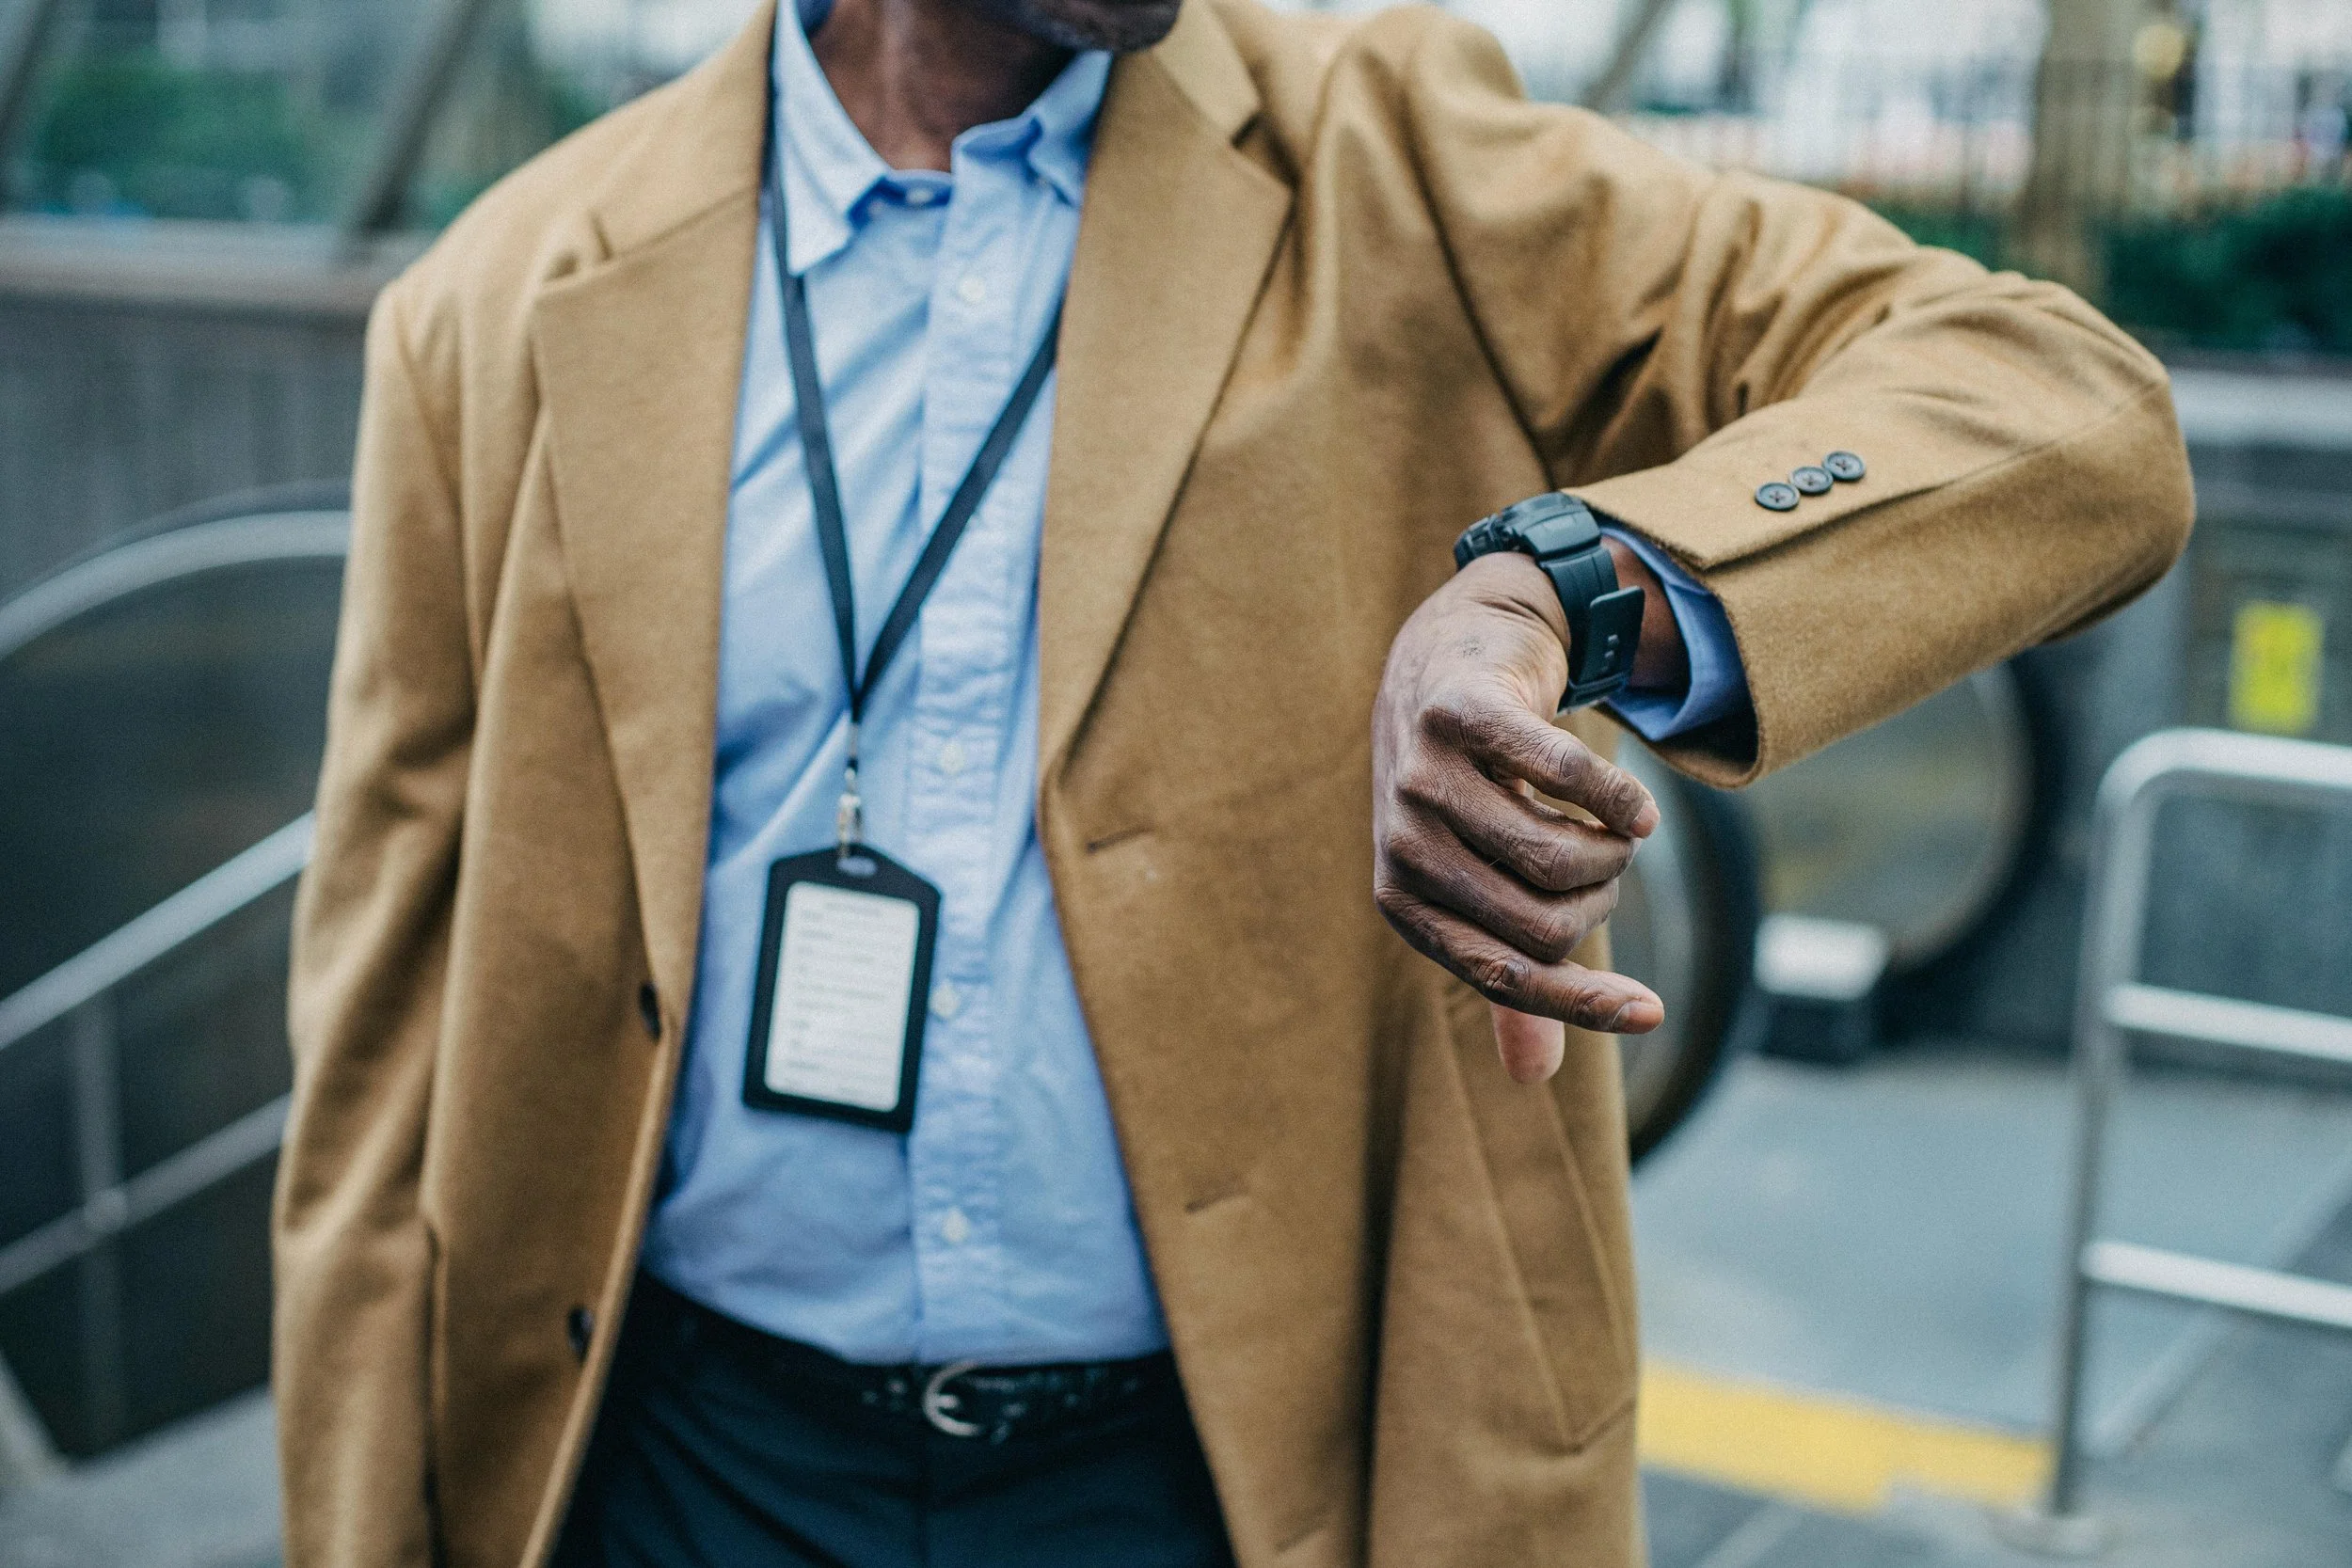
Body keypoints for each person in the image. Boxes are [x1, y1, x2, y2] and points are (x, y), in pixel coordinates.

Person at [270, 0, 2193, 1561]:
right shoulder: (492, 306)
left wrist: (1569, 591)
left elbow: (2060, 406)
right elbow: (378, 1067)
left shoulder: (1396, 153)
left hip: (1238, 1483)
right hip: (678, 1467)